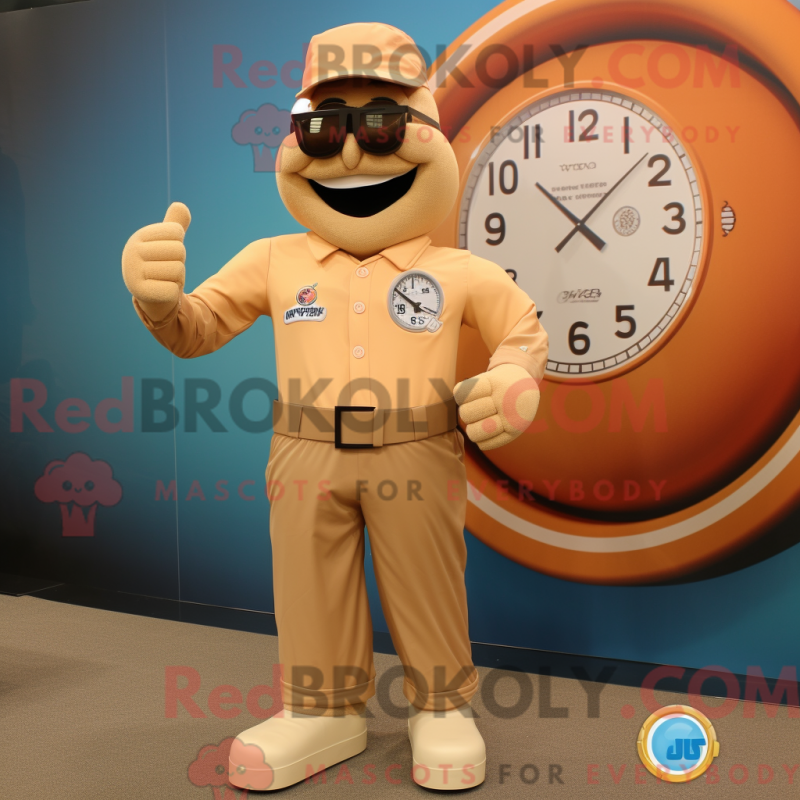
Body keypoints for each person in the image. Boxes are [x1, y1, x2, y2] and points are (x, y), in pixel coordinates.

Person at [121, 21, 548, 792]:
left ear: (427, 133)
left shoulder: (456, 270)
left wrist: (514, 379)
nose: (351, 153)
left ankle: (442, 706)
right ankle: (321, 709)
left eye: (382, 125)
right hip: (304, 452)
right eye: (321, 129)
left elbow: (521, 330)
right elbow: (196, 328)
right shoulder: (272, 259)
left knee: (427, 581)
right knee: (308, 584)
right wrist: (157, 301)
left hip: (417, 449)